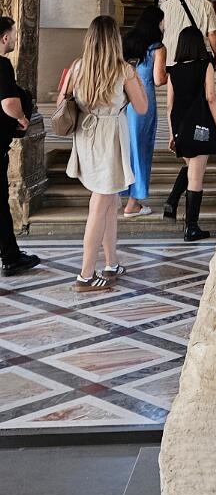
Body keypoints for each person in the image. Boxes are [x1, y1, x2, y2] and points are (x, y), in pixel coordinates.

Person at [58, 15, 148, 289]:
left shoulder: (78, 66)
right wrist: (136, 80)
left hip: (86, 135)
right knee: (100, 202)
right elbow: (142, 107)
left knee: (110, 201)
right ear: (114, 41)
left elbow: (62, 100)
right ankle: (85, 274)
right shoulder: (123, 70)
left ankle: (111, 262)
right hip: (109, 139)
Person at [167, 25, 216, 240]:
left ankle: (172, 201)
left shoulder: (173, 70)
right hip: (200, 126)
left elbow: (169, 106)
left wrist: (172, 133)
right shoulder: (205, 66)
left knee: (191, 167)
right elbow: (211, 97)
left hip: (180, 127)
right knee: (196, 177)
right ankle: (191, 227)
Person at [0, 17, 39, 276]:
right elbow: (9, 103)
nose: (16, 37)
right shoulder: (2, 64)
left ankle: (11, 254)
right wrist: (22, 119)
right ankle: (11, 257)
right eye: (14, 34)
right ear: (4, 37)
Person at [121, 6, 167, 219]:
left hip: (124, 100)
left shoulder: (128, 42)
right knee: (142, 148)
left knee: (126, 148)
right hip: (143, 100)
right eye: (162, 22)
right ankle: (133, 203)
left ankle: (120, 194)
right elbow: (158, 79)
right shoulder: (158, 48)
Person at [162, 0, 216, 71]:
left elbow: (160, 32)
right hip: (196, 58)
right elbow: (212, 34)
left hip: (170, 58)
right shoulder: (206, 5)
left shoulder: (165, 6)